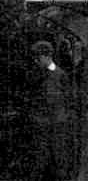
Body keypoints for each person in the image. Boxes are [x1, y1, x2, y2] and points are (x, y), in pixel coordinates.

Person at [28, 40, 75, 180]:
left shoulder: (61, 75)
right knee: (40, 158)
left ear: (46, 56)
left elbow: (68, 98)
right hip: (41, 123)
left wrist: (64, 117)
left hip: (58, 123)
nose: (36, 61)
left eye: (38, 58)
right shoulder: (35, 74)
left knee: (59, 158)